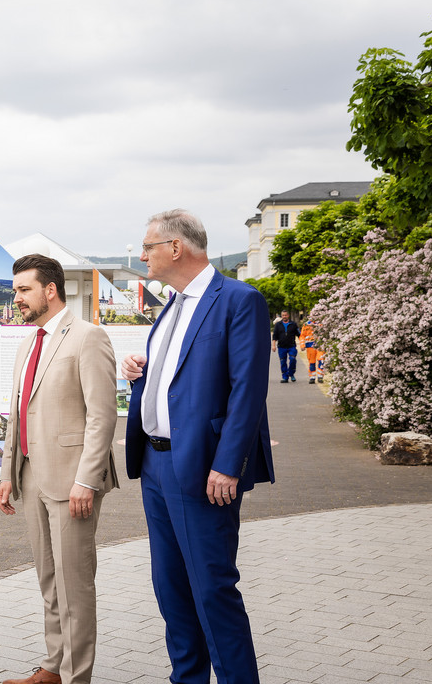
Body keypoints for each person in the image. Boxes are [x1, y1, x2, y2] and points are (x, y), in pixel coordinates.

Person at [121, 210, 275, 684]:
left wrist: (228, 466)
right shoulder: (172, 304)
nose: (141, 254)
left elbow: (247, 390)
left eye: (147, 246)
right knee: (171, 590)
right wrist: (144, 373)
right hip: (155, 464)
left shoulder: (238, 299)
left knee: (212, 589)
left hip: (205, 469)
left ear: (175, 248)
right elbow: (186, 374)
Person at [0, 254, 119, 684]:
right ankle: (52, 667)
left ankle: (76, 677)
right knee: (49, 579)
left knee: (74, 586)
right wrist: (8, 473)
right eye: (15, 290)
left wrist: (87, 478)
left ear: (50, 290)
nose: (18, 298)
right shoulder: (29, 341)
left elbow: (103, 416)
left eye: (24, 290)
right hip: (31, 475)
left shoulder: (89, 337)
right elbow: (17, 409)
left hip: (72, 480)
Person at [271, 310, 300, 383]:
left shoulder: (293, 324)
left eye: (285, 315)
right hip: (281, 346)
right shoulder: (278, 325)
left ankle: (291, 373)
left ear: (288, 315)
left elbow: (299, 334)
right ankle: (285, 377)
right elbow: (274, 336)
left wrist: (303, 343)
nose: (284, 317)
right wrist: (273, 346)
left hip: (291, 346)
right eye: (283, 315)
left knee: (292, 359)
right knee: (283, 362)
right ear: (281, 316)